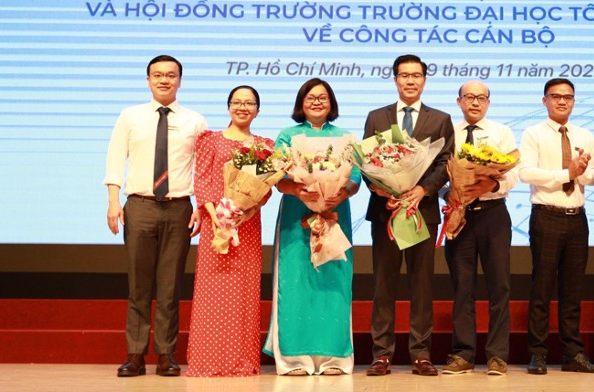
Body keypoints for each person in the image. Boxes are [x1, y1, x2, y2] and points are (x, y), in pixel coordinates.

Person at [104, 55, 207, 377]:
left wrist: (202, 207)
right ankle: (135, 355)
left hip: (178, 208)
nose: (164, 80)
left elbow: (202, 171)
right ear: (147, 79)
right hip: (140, 206)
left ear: (180, 80)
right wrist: (112, 200)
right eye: (158, 75)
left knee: (169, 287)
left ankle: (166, 355)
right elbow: (115, 157)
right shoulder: (130, 116)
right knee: (139, 287)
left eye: (171, 75)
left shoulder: (195, 121)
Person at [263, 78, 361, 375]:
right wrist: (298, 191)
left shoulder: (346, 137)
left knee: (334, 281)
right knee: (295, 282)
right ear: (300, 102)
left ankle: (335, 359)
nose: (317, 102)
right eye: (310, 97)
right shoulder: (287, 136)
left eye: (323, 97)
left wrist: (339, 193)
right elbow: (277, 178)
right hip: (296, 217)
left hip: (335, 214)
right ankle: (294, 359)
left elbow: (355, 176)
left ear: (331, 103)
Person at [364, 54, 454, 376]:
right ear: (395, 79)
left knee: (422, 286)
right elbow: (367, 162)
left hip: (422, 212)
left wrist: (423, 190)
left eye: (417, 76)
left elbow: (446, 162)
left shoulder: (440, 119)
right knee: (383, 286)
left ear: (424, 80)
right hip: (386, 212)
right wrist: (382, 187)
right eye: (404, 75)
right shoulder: (377, 117)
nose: (411, 81)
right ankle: (381, 355)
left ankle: (420, 354)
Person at [519, 78, 594, 375]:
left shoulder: (584, 134)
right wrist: (565, 173)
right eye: (555, 96)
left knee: (572, 290)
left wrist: (581, 174)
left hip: (577, 218)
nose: (562, 101)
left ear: (574, 101)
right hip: (546, 215)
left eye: (568, 97)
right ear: (544, 100)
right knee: (542, 288)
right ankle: (538, 354)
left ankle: (573, 354)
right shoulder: (533, 133)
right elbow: (526, 173)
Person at [186, 86, 270, 377]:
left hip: (247, 226)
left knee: (244, 291)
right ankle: (209, 360)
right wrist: (220, 216)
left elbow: (264, 191)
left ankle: (241, 360)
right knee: (215, 291)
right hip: (216, 225)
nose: (243, 107)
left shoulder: (264, 146)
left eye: (249, 103)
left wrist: (243, 212)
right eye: (237, 102)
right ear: (228, 106)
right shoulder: (211, 141)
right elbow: (203, 182)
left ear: (258, 109)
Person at [442, 80, 518, 376]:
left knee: (499, 286)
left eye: (481, 98)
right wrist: (447, 193)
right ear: (458, 101)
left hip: (494, 214)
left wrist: (493, 182)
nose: (475, 102)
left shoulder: (501, 132)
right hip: (459, 214)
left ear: (489, 102)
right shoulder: (448, 133)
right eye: (469, 97)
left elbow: (514, 176)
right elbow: (438, 172)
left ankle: (497, 355)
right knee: (463, 286)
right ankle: (463, 353)